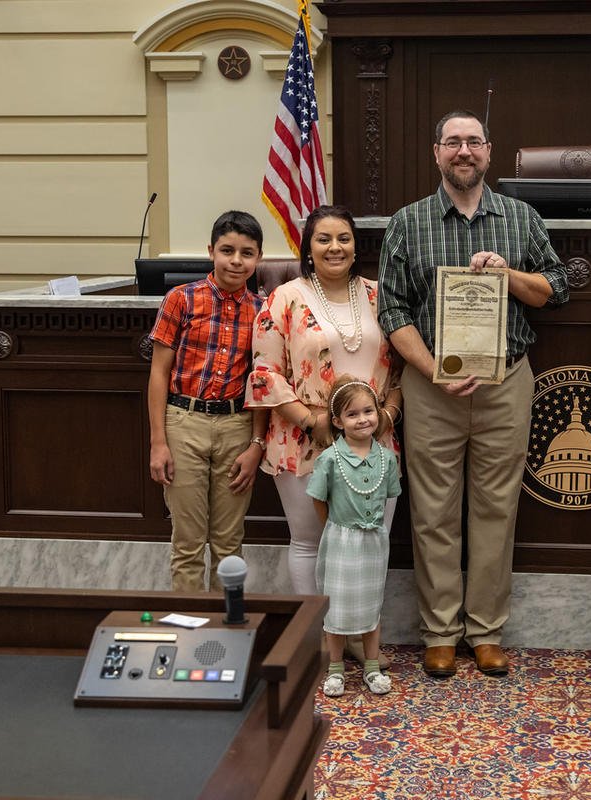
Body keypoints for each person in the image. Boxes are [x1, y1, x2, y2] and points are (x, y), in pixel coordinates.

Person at [378, 109, 570, 679]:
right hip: (431, 383)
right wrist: (434, 368)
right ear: (436, 152)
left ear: (490, 152)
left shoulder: (521, 217)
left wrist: (507, 273)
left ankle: (485, 631)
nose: (464, 151)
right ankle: (440, 631)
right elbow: (392, 309)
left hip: (504, 381)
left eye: (475, 142)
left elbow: (555, 288)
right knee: (433, 511)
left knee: (496, 509)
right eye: (453, 142)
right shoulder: (407, 224)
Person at [246, 205, 402, 669]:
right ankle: (314, 636)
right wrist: (310, 419)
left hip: (375, 442)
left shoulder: (380, 296)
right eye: (323, 239)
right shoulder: (284, 298)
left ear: (356, 246)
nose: (335, 247)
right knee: (310, 541)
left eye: (344, 239)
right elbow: (264, 373)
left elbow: (401, 367)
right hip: (303, 437)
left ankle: (358, 637)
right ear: (307, 249)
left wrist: (389, 413)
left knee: (371, 540)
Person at [148, 210, 268, 592]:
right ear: (211, 251)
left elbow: (264, 382)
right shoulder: (181, 300)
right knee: (187, 542)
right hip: (184, 422)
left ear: (259, 258)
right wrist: (158, 442)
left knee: (230, 544)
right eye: (227, 250)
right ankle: (190, 631)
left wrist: (256, 445)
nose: (237, 260)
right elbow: (158, 374)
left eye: (247, 253)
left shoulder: (261, 311)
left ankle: (226, 633)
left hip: (236, 427)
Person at [306, 375, 402, 697]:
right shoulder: (330, 459)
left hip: (373, 542)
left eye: (368, 411)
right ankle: (335, 667)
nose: (362, 419)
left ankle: (371, 666)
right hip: (340, 540)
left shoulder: (387, 458)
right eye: (352, 414)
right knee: (337, 607)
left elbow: (389, 496)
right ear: (337, 421)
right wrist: (335, 526)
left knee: (371, 605)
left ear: (378, 412)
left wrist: (372, 528)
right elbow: (318, 499)